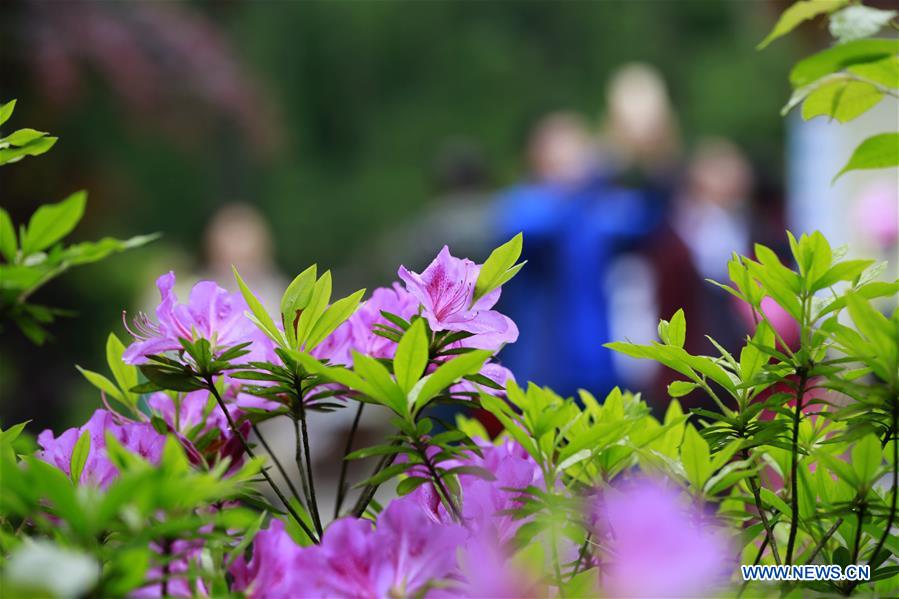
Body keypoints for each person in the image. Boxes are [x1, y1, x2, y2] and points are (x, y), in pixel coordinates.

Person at [493, 112, 659, 398]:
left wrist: (651, 160)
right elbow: (530, 227)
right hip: (543, 369)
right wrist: (599, 167)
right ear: (536, 155)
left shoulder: (600, 207)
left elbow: (648, 220)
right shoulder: (524, 203)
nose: (576, 159)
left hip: (606, 367)